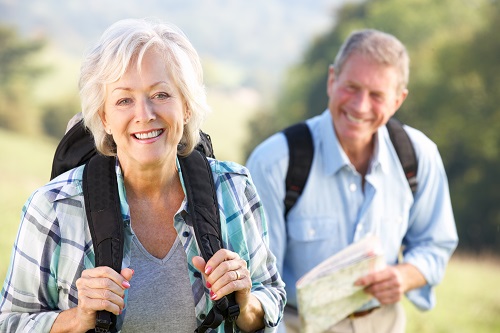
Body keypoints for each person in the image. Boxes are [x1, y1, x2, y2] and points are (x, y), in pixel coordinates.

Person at [0, 18, 285, 332]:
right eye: (124, 100)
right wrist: (76, 320)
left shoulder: (233, 188)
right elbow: (9, 323)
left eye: (161, 95)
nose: (145, 114)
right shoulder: (52, 207)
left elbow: (271, 294)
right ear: (104, 117)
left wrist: (245, 305)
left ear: (187, 106)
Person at [246, 29, 458, 333]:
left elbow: (434, 244)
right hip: (295, 325)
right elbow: (260, 283)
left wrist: (405, 276)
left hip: (384, 324)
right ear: (332, 81)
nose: (360, 106)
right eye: (351, 87)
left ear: (398, 100)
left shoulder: (419, 156)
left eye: (377, 95)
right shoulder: (274, 162)